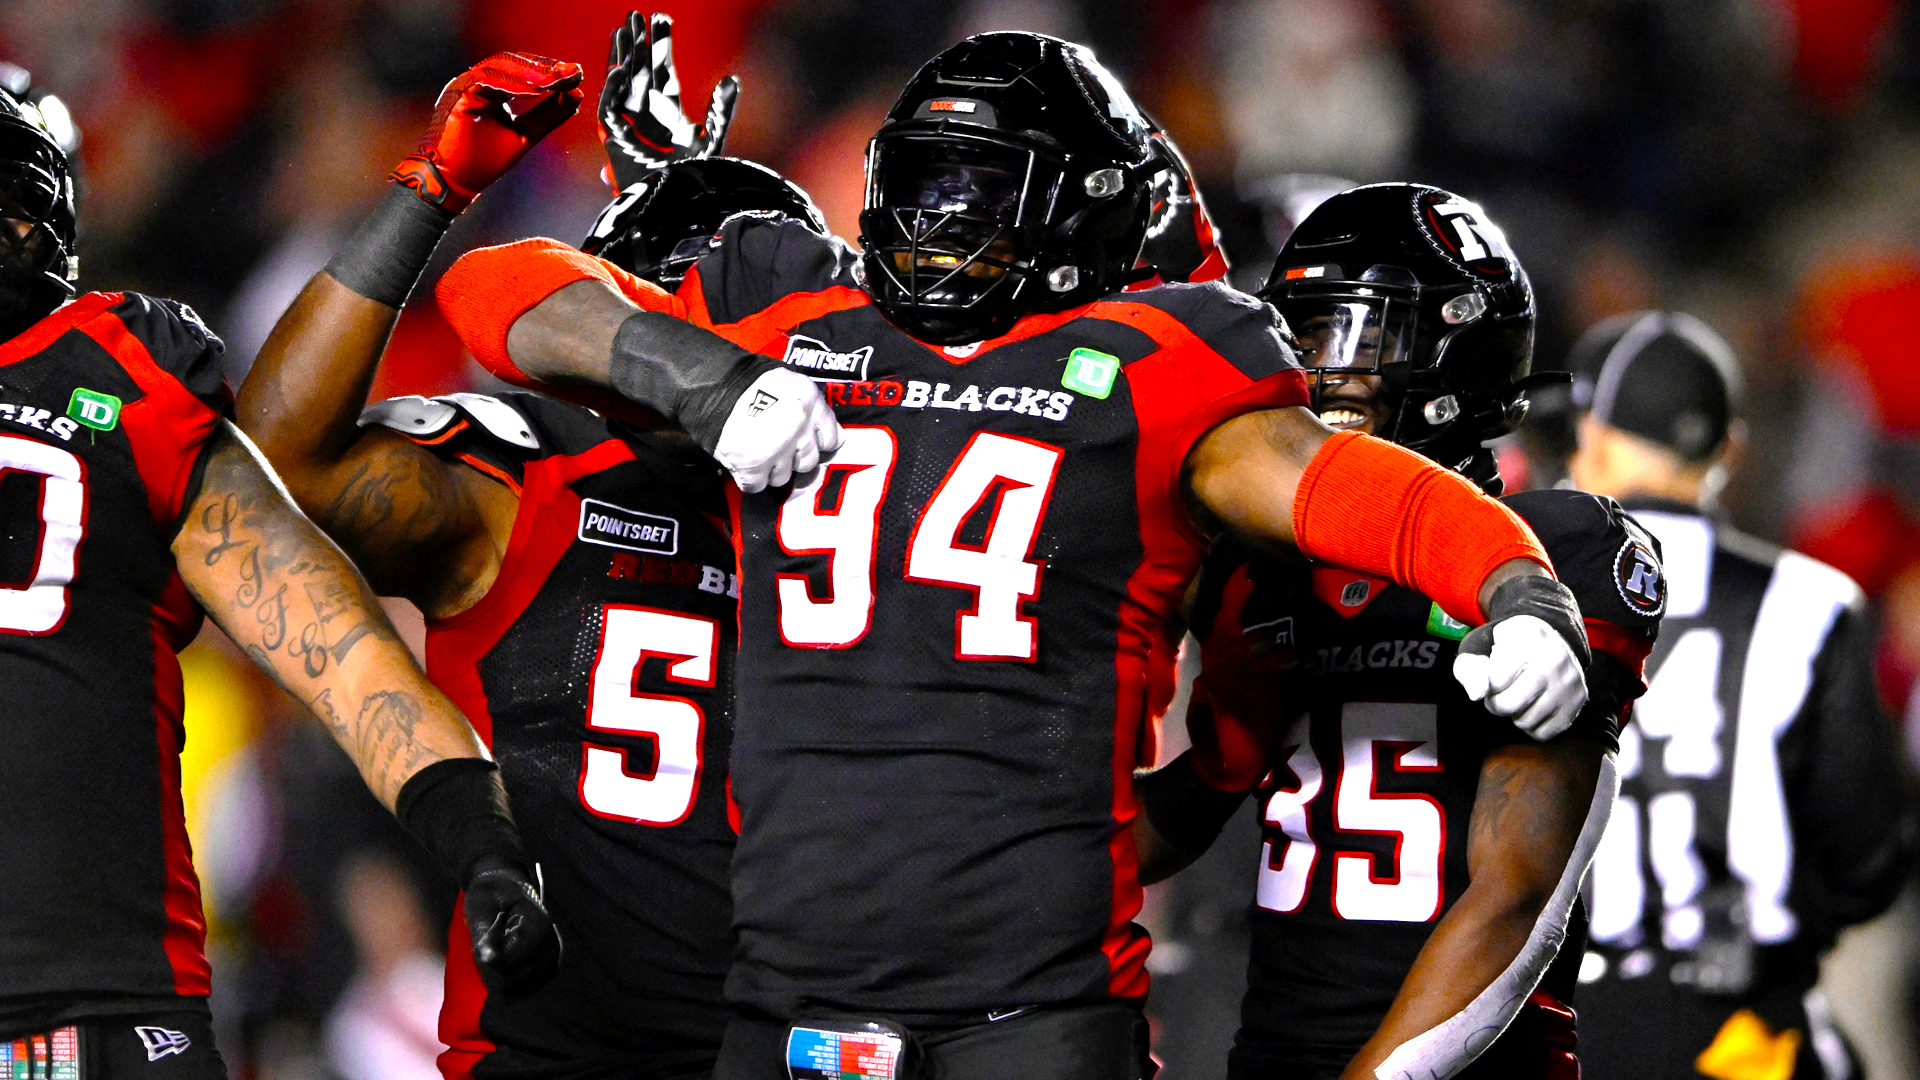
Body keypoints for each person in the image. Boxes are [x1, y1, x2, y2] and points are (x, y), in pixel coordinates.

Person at [429, 31, 1597, 1080]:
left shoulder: (1155, 361)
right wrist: (699, 377)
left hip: (1028, 1018)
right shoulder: (793, 317)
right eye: (919, 184)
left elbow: (1358, 490)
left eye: (974, 188)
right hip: (784, 1004)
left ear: (1079, 205)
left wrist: (1519, 585)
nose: (936, 221)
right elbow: (500, 285)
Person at [235, 34, 830, 1080]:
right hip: (548, 1047)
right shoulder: (527, 477)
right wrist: (427, 190)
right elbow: (282, 456)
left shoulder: (855, 484)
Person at [0, 68, 558, 1078]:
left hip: (92, 999)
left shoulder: (121, 372)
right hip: (101, 1010)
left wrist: (485, 845)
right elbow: (348, 659)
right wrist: (486, 845)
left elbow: (336, 645)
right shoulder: (121, 374)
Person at [1130, 182, 1663, 1080]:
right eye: (1302, 337)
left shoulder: (1557, 546)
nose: (1321, 372)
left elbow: (1518, 894)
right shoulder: (1257, 564)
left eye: (1359, 337)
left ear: (1458, 351)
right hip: (1271, 1050)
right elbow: (1179, 814)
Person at [1563, 312, 1914, 1080]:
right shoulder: (1813, 604)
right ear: (1729, 449)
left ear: (1592, 436)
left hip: (1553, 1027)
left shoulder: (1512, 586)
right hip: (1743, 1028)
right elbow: (1871, 859)